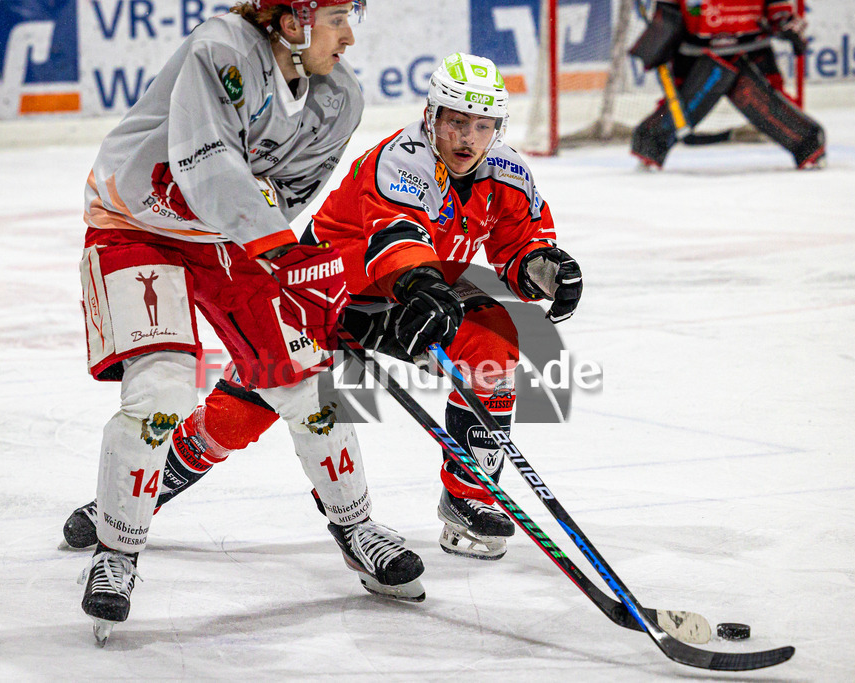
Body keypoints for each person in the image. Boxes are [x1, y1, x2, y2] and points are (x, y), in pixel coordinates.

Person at [65, 52, 583, 566]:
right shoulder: (402, 159)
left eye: (482, 125)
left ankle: (468, 499)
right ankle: (131, 503)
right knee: (245, 411)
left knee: (495, 344)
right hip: (329, 294)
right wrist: (424, 284)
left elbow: (520, 240)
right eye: (456, 121)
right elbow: (396, 238)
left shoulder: (509, 173)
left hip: (416, 294)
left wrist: (542, 267)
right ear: (432, 117)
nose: (468, 137)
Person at [71, 0, 427, 644]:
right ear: (292, 21)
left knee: (306, 380)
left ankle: (356, 525)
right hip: (133, 223)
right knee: (161, 391)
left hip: (227, 235)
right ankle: (116, 551)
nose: (348, 37)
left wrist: (308, 277)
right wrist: (279, 251)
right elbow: (205, 164)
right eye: (336, 20)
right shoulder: (223, 49)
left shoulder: (340, 97)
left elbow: (287, 194)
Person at [629, 0, 825, 169]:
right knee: (672, 109)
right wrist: (658, 38)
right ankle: (649, 145)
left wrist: (786, 25)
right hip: (696, 54)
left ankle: (807, 144)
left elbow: (779, 10)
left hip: (750, 50)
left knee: (777, 103)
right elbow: (667, 13)